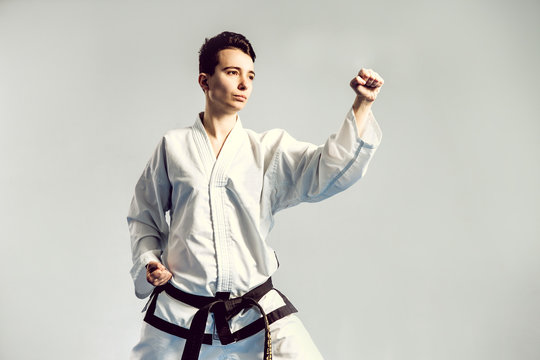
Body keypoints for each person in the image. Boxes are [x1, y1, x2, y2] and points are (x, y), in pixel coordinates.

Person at [127, 31, 384, 360]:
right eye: (233, 72)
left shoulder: (268, 150)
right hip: (180, 316)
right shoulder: (173, 147)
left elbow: (326, 170)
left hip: (254, 311)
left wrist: (362, 104)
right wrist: (150, 261)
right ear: (205, 81)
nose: (244, 84)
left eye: (250, 76)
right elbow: (143, 216)